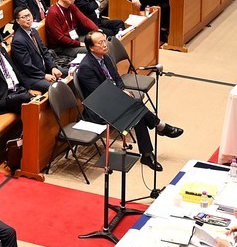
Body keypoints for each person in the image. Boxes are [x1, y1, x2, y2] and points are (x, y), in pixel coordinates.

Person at [75, 31, 181, 170]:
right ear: (91, 48)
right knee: (136, 107)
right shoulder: (86, 67)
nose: (105, 44)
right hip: (100, 107)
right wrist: (121, 96)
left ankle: (148, 154)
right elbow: (100, 94)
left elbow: (117, 79)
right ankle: (159, 128)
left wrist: (122, 91)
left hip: (113, 98)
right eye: (100, 43)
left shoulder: (105, 57)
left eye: (105, 40)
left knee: (136, 112)